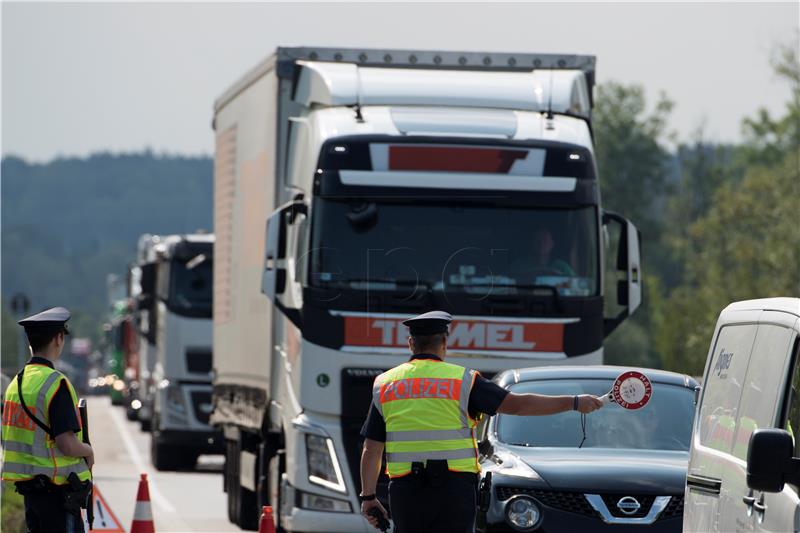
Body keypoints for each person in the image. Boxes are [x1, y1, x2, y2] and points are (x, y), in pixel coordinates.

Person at [359, 311, 603, 532]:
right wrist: (573, 402)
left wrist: (368, 497)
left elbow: (372, 449)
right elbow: (519, 405)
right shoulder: (463, 380)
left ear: (411, 343)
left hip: (406, 493)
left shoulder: (386, 384)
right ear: (444, 342)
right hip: (454, 492)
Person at [1, 307, 94, 533]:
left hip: (31, 496)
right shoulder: (55, 384)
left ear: (30, 342)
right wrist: (87, 451)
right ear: (59, 339)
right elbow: (67, 444)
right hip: (58, 496)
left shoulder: (16, 384)